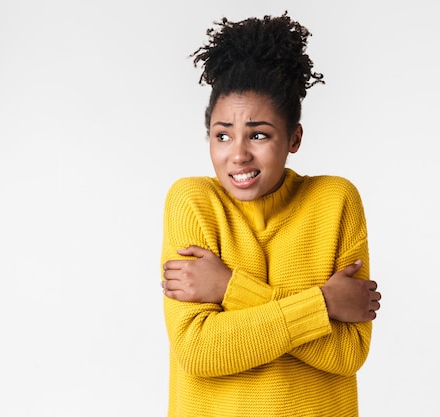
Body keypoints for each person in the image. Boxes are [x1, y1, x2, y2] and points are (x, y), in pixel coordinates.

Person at [160, 12, 381, 417]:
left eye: (259, 134)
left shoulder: (335, 201)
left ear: (294, 137)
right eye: (222, 134)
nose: (238, 153)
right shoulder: (192, 201)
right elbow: (199, 350)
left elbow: (348, 353)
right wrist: (323, 305)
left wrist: (230, 289)